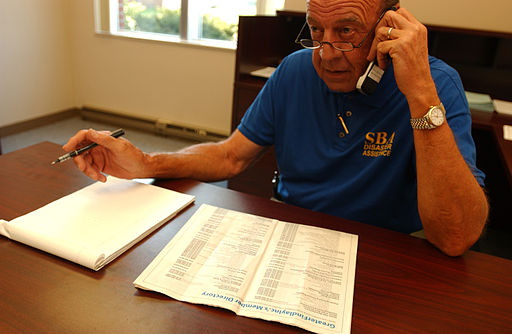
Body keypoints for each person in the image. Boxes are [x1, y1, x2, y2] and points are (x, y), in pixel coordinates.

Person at [63, 0, 488, 256]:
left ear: (387, 30)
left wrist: (419, 94)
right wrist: (146, 162)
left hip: (382, 253)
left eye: (346, 33)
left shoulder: (435, 85)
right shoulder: (294, 71)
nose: (326, 53)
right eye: (316, 30)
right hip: (288, 239)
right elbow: (231, 155)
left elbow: (455, 237)